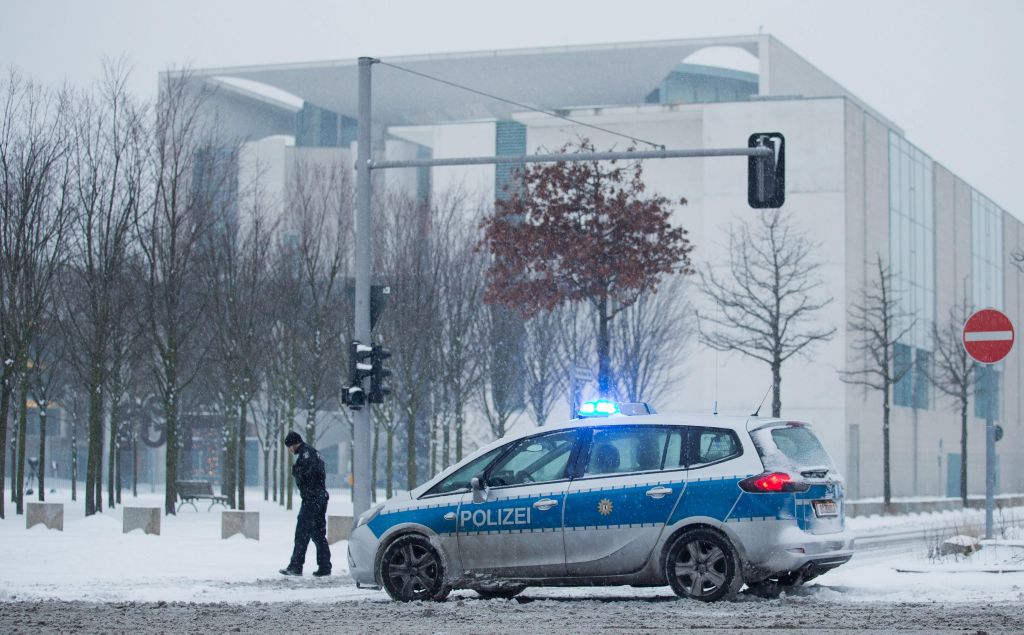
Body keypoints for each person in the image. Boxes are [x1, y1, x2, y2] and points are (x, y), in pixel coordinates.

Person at [279, 430, 332, 577]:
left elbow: (305, 475)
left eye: (289, 446)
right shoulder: (313, 452)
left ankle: (296, 566)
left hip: (311, 500)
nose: (289, 450)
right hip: (320, 498)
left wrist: (295, 471)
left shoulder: (305, 455)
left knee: (302, 533)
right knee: (318, 534)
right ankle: (325, 566)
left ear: (294, 443)